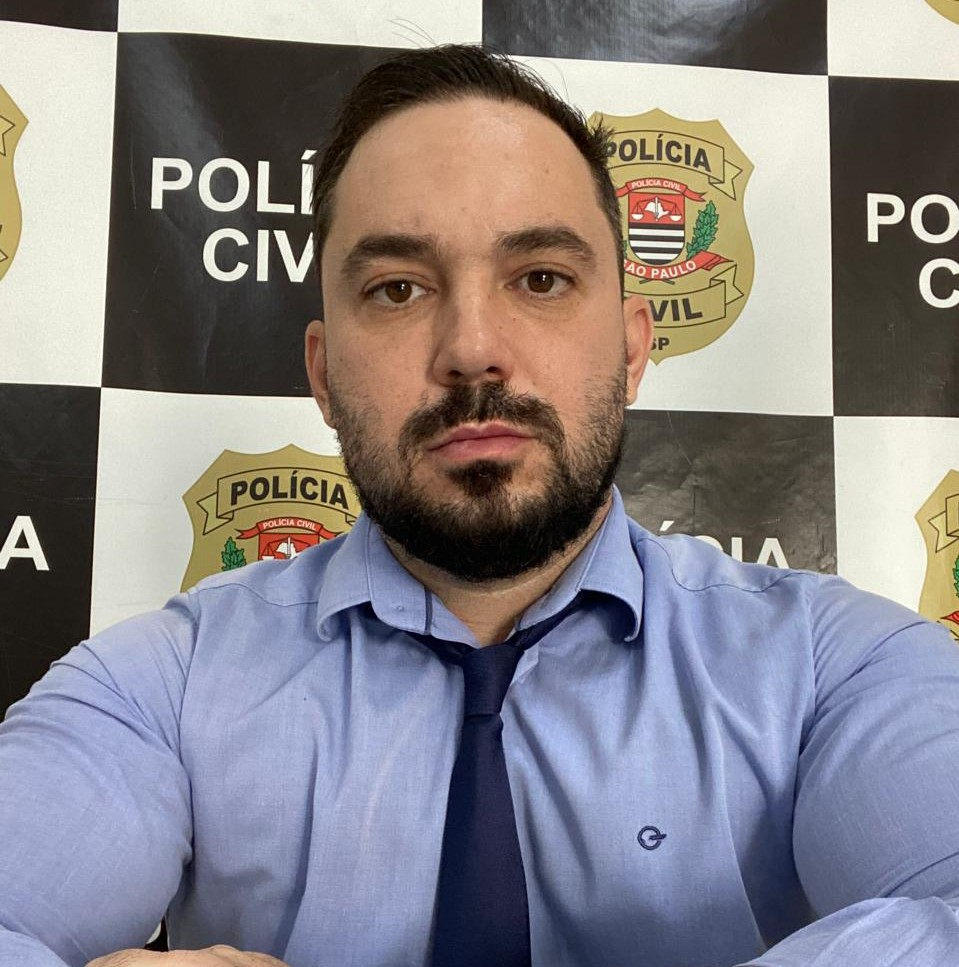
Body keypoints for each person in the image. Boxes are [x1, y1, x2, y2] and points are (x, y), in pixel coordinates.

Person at [2, 44, 959, 967]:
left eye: (540, 279)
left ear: (632, 349)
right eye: (397, 288)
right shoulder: (159, 687)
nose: (471, 349)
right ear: (324, 376)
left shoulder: (834, 667)